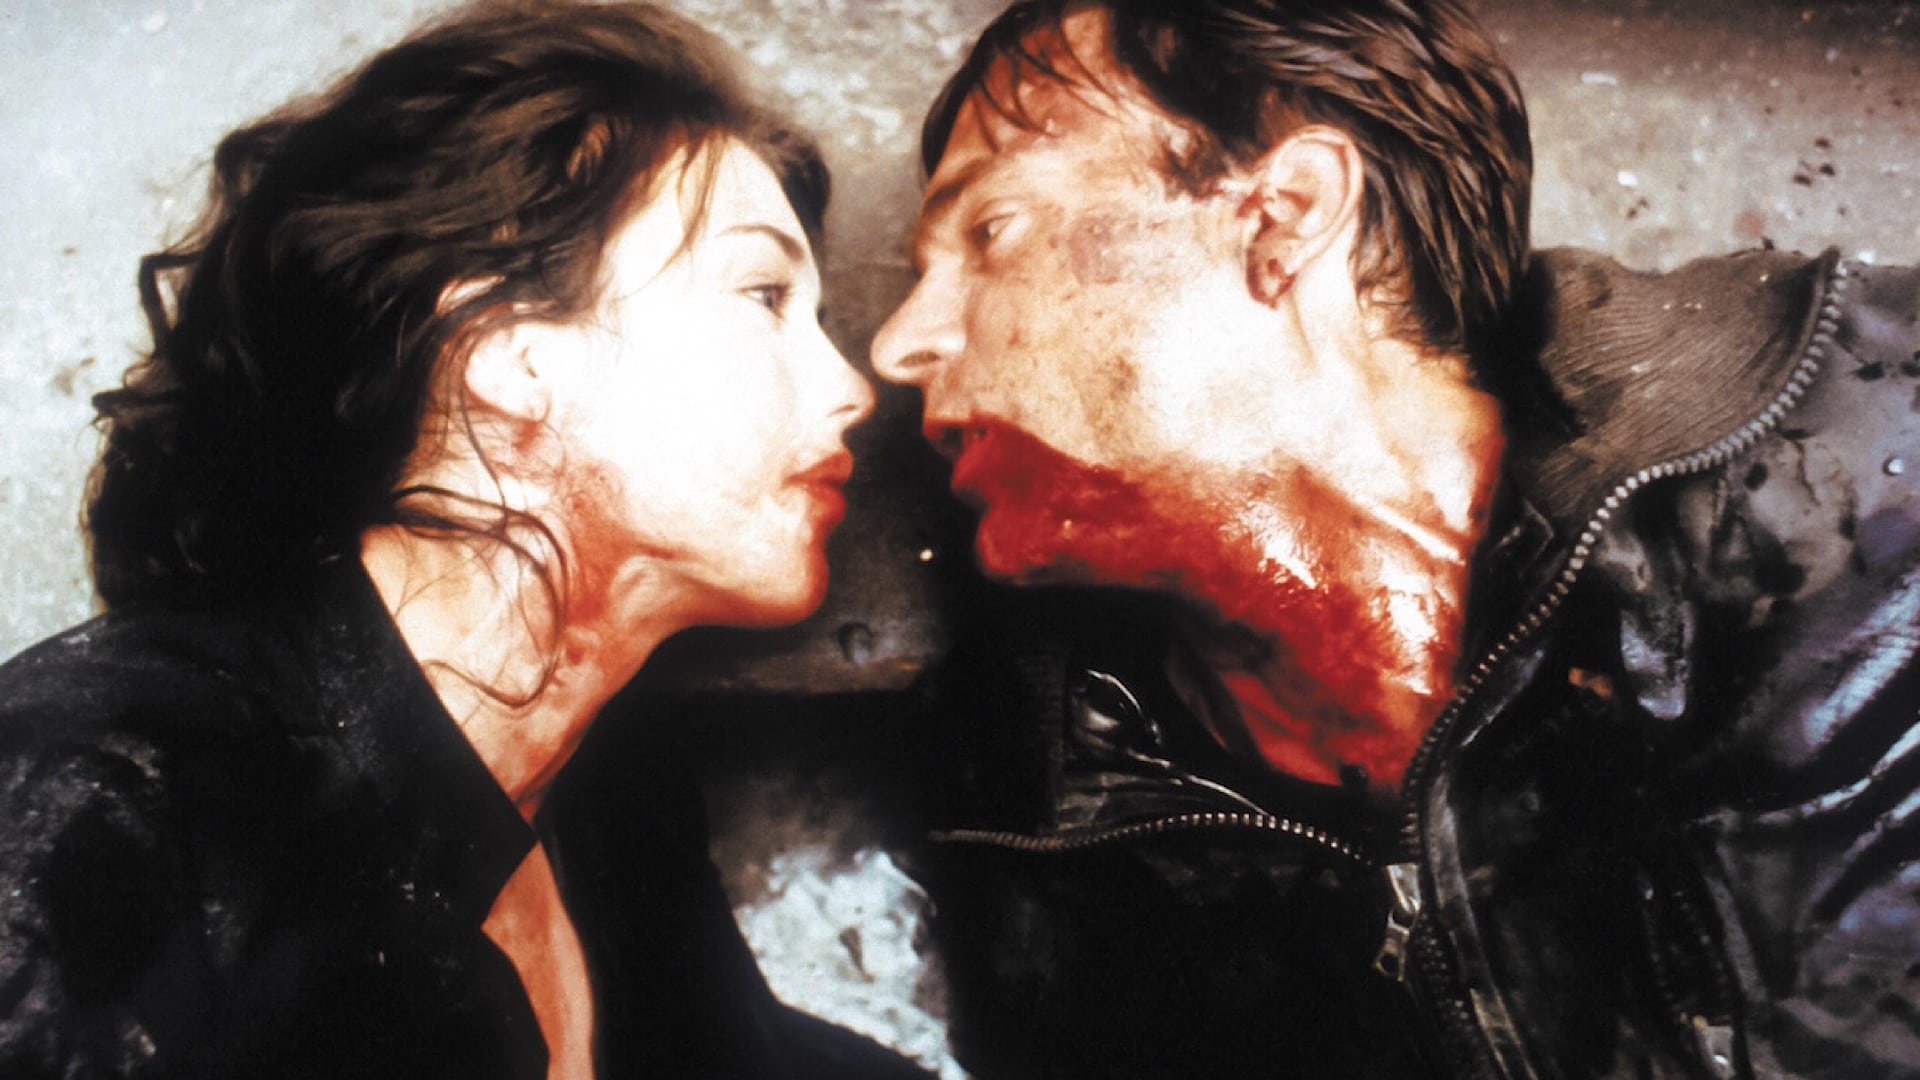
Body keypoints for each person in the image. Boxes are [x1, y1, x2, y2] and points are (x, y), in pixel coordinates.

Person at [871, 0, 1920, 1076]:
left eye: (990, 231)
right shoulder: (1027, 800)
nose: (898, 346)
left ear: (1284, 216)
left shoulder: (1874, 445)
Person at [0, 3, 934, 1078]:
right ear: (504, 351)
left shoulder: (606, 781)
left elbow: (741, 1057)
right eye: (764, 294)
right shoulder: (106, 797)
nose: (852, 386)